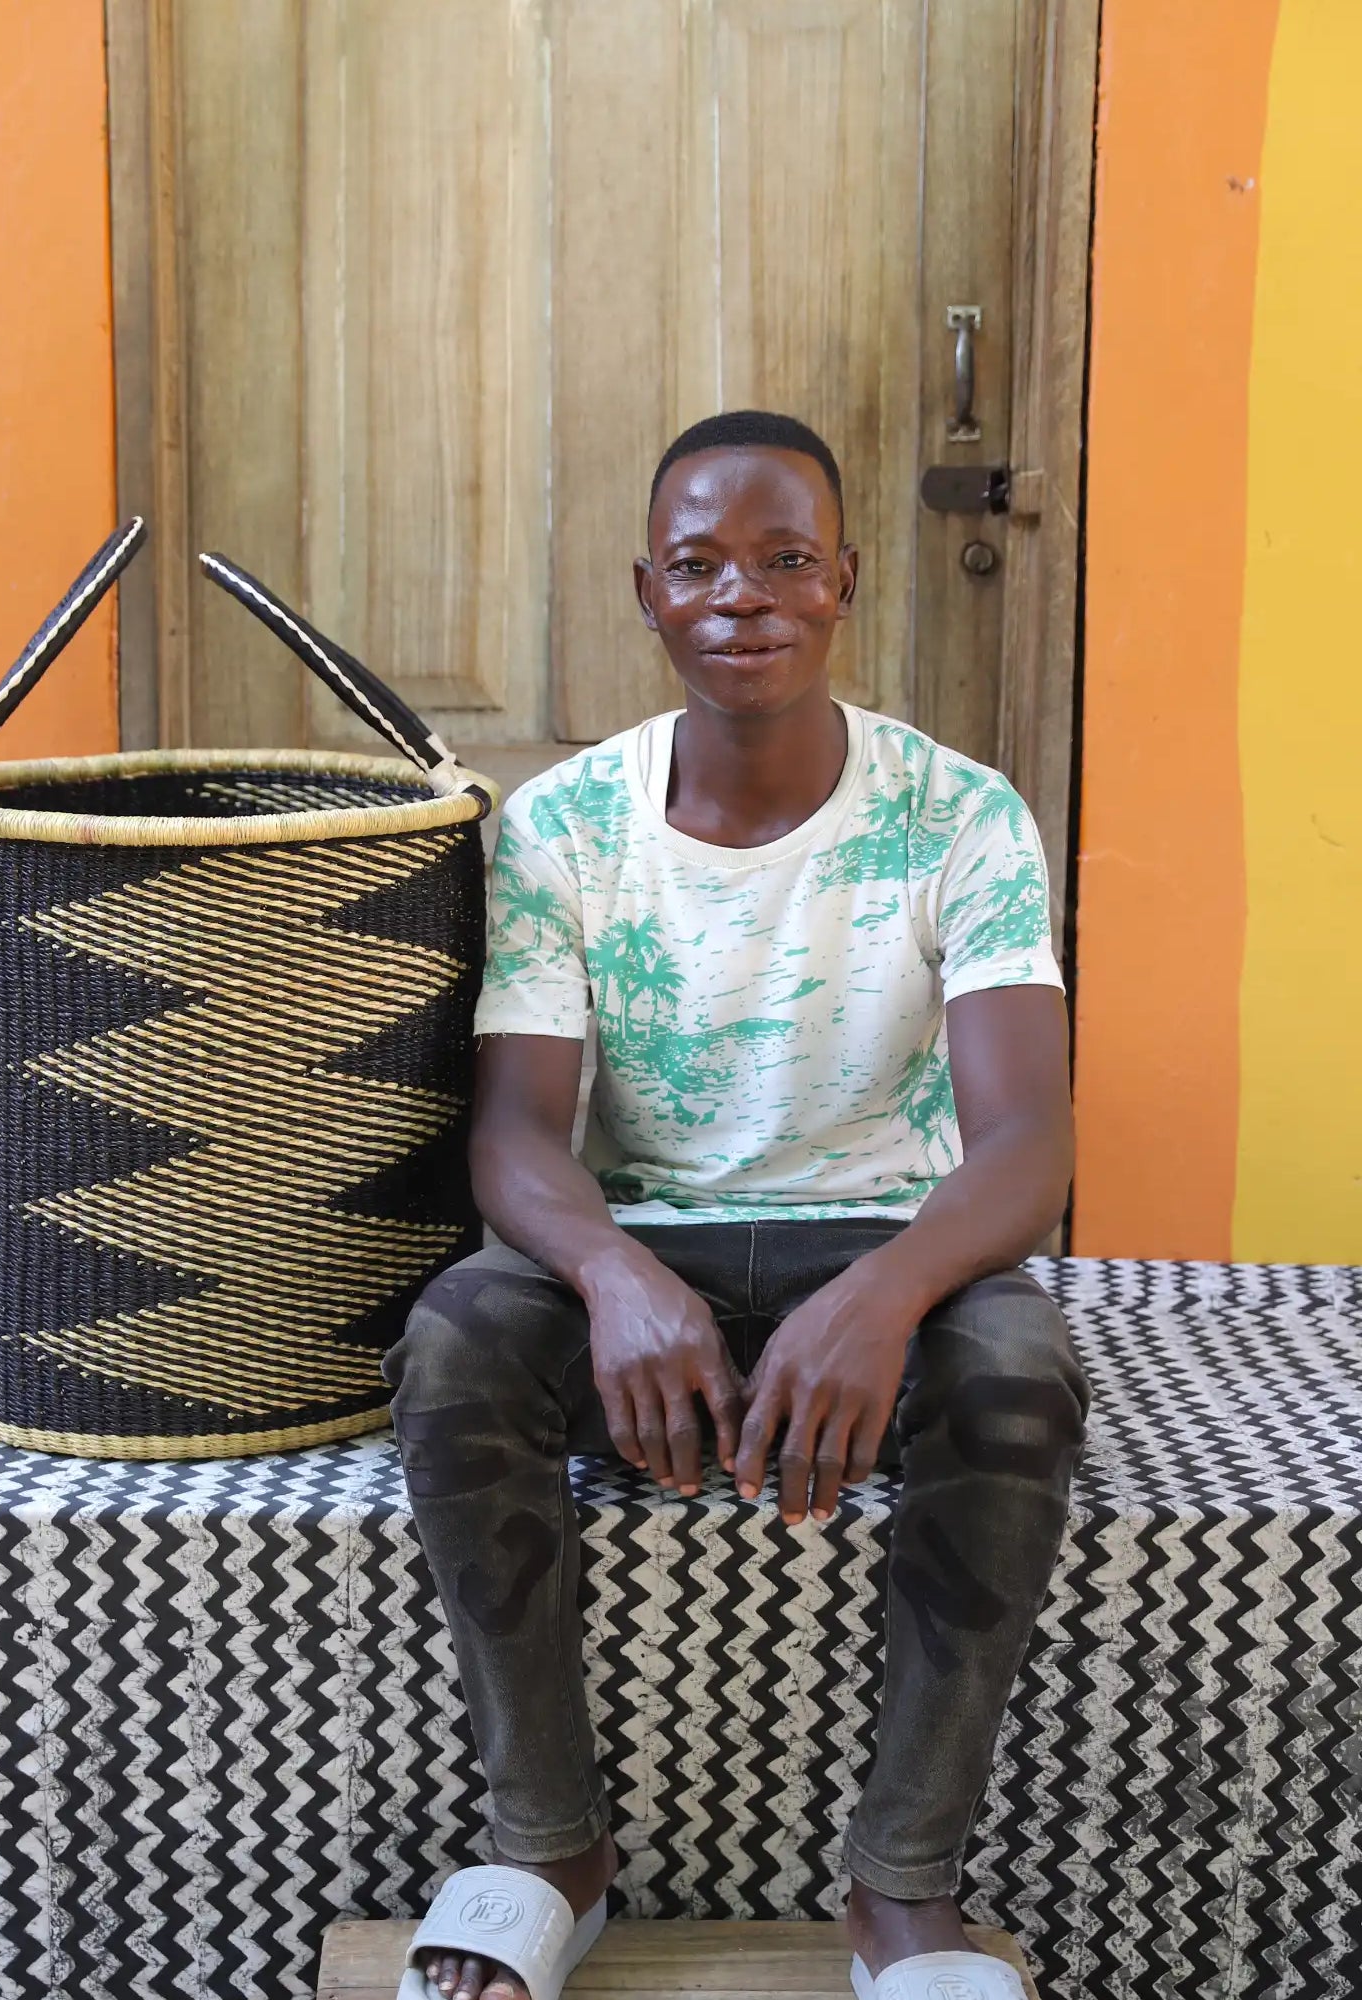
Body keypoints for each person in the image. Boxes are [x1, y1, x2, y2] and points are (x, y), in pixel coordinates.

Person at [385, 410, 1089, 2000]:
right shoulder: (565, 825)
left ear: (846, 581)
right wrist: (612, 1274)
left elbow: (1027, 1143)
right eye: (698, 565)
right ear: (647, 593)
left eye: (785, 560)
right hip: (647, 1252)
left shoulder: (961, 814)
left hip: (891, 1245)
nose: (743, 596)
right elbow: (516, 1132)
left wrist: (886, 1293)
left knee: (1020, 1375)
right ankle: (547, 1851)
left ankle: (904, 1892)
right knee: (454, 1346)